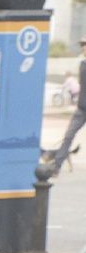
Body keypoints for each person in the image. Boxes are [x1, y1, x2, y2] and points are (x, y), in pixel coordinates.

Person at [48, 34, 86, 168]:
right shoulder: (82, 64)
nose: (83, 48)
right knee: (68, 136)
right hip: (82, 109)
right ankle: (56, 165)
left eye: (85, 45)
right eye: (82, 45)